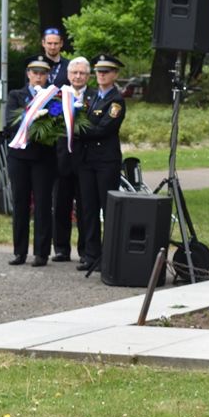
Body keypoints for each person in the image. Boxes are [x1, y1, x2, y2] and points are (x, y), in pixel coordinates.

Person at [5, 56, 57, 266]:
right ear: (28, 74)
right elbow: (10, 121)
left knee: (43, 204)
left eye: (43, 73)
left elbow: (56, 124)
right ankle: (20, 251)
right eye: (35, 72)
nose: (38, 77)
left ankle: (41, 252)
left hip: (43, 157)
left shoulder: (53, 97)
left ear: (47, 76)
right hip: (20, 157)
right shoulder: (16, 95)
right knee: (20, 203)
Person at [75, 54, 125, 273]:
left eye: (106, 72)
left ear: (114, 75)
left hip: (106, 161)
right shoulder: (92, 96)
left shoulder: (116, 100)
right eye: (98, 72)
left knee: (108, 208)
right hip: (87, 160)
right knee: (88, 209)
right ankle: (91, 254)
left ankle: (109, 254)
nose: (101, 75)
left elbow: (105, 128)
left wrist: (77, 130)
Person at [53, 56, 91, 262]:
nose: (78, 76)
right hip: (61, 159)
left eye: (82, 73)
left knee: (86, 206)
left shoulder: (94, 97)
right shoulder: (57, 95)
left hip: (86, 159)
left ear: (88, 76)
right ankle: (60, 248)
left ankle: (86, 250)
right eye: (74, 73)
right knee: (60, 204)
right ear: (67, 75)